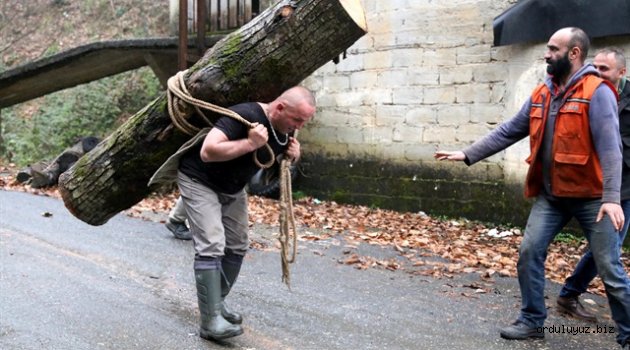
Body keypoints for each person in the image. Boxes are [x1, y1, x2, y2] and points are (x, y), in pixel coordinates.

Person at [434, 27, 630, 349]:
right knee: (529, 252)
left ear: (574, 53)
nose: (546, 54)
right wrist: (468, 153)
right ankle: (531, 320)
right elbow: (510, 129)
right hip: (552, 196)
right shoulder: (544, 92)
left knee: (610, 267)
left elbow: (611, 149)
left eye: (553, 49)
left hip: (592, 199)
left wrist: (611, 199)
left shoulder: (598, 92)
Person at [153, 86, 316, 341]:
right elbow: (208, 151)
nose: (299, 127)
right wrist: (250, 143)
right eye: (297, 120)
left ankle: (216, 305)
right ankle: (210, 323)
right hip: (200, 180)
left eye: (304, 122)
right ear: (280, 108)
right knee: (212, 244)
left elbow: (280, 154)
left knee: (238, 245)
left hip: (233, 187)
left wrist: (295, 155)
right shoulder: (243, 115)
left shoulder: (286, 127)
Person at [556, 47, 630, 324]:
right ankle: (570, 294)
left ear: (621, 72)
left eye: (604, 69)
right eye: (594, 66)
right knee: (608, 251)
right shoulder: (585, 91)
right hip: (590, 182)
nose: (596, 73)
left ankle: (570, 293)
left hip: (623, 187)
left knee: (608, 249)